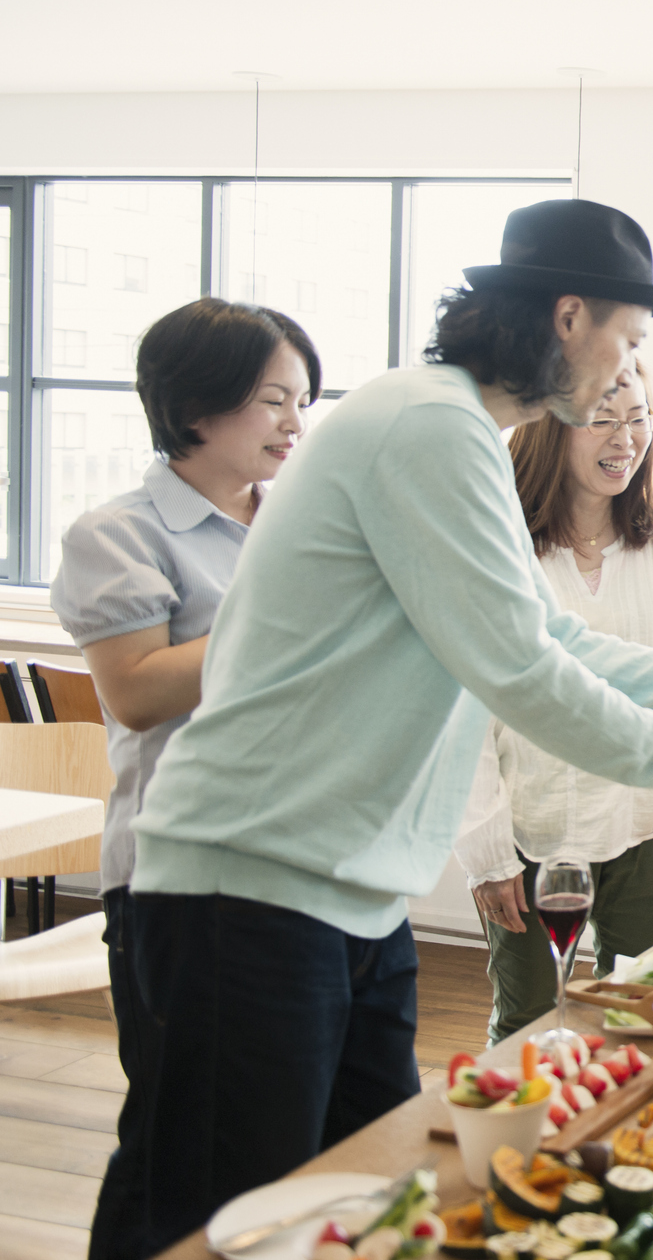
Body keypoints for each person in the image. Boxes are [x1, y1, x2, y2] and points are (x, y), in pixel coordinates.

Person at [123, 198, 653, 1254]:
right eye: (626, 339)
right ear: (570, 315)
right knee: (209, 1218)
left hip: (348, 892)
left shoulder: (461, 432)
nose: (621, 372)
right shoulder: (429, 425)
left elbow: (553, 634)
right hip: (250, 879)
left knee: (360, 1201)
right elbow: (520, 668)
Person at [49, 298, 320, 1260]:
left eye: (302, 400)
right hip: (176, 873)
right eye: (272, 400)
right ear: (197, 407)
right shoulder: (117, 534)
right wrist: (288, 617)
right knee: (175, 1134)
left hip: (296, 861)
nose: (296, 422)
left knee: (275, 1138)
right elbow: (135, 692)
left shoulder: (295, 524)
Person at [455, 365, 653, 1043]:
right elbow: (465, 712)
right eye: (602, 420)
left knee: (647, 1017)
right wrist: (486, 851)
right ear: (550, 426)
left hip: (648, 826)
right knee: (526, 1023)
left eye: (639, 418)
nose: (626, 439)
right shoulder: (499, 549)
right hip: (530, 831)